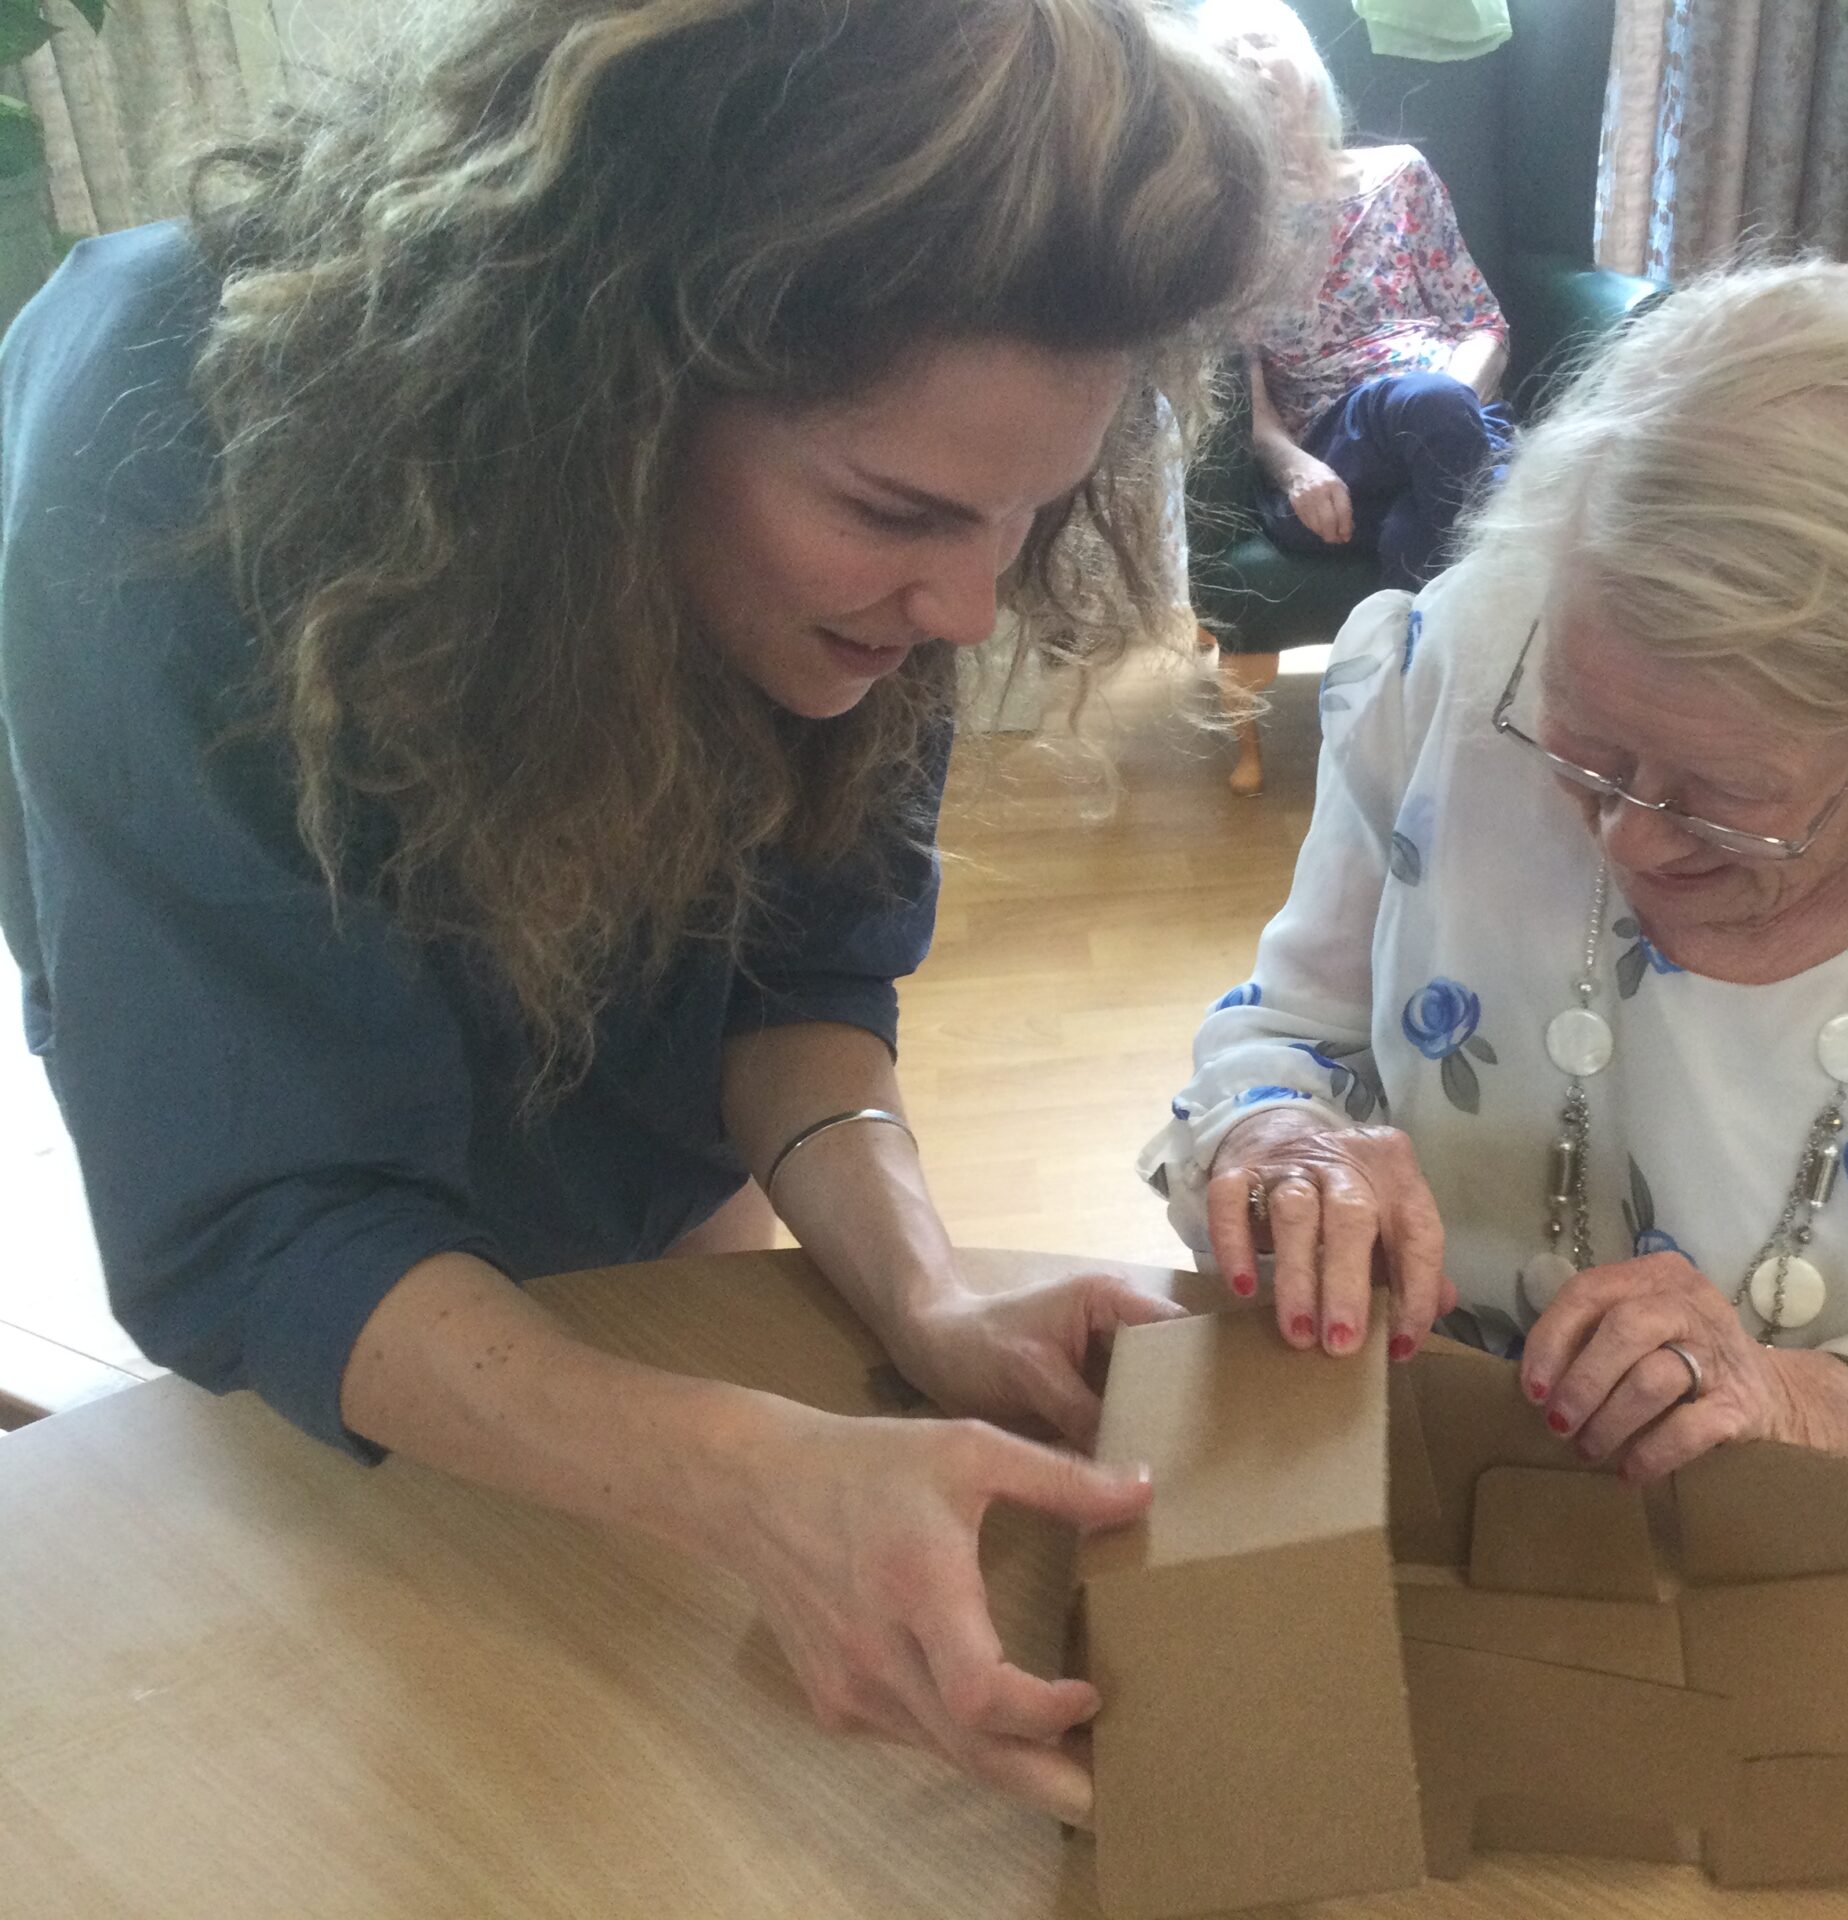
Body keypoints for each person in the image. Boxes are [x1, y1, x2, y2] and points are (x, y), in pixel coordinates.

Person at [0, 0, 1275, 1820]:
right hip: (273, 1133)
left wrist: (918, 1296)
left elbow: (797, 979)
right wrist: (747, 1475)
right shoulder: (157, 474)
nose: (974, 610)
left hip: (603, 1173)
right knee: (394, 1724)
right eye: (897, 510)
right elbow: (260, 1215)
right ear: (606, 387)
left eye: (1030, 515)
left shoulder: (903, 547)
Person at [1145, 261, 1848, 1679]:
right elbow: (1290, 1029)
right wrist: (1281, 1135)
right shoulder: (1469, 668)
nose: (1625, 836)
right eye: (1585, 752)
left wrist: (1802, 1406)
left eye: (1711, 797)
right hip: (1397, 1495)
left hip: (1819, 1597)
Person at [1200, 0, 1512, 590]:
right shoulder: (1226, 226)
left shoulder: (1402, 172)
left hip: (1454, 413)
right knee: (1506, 494)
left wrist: (1448, 409)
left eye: (1262, 42)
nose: (1249, 64)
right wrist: (1296, 471)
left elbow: (1483, 326)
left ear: (1308, 68)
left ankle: (1410, 664)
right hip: (1337, 448)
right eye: (1227, 60)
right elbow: (1252, 408)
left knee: (1412, 525)